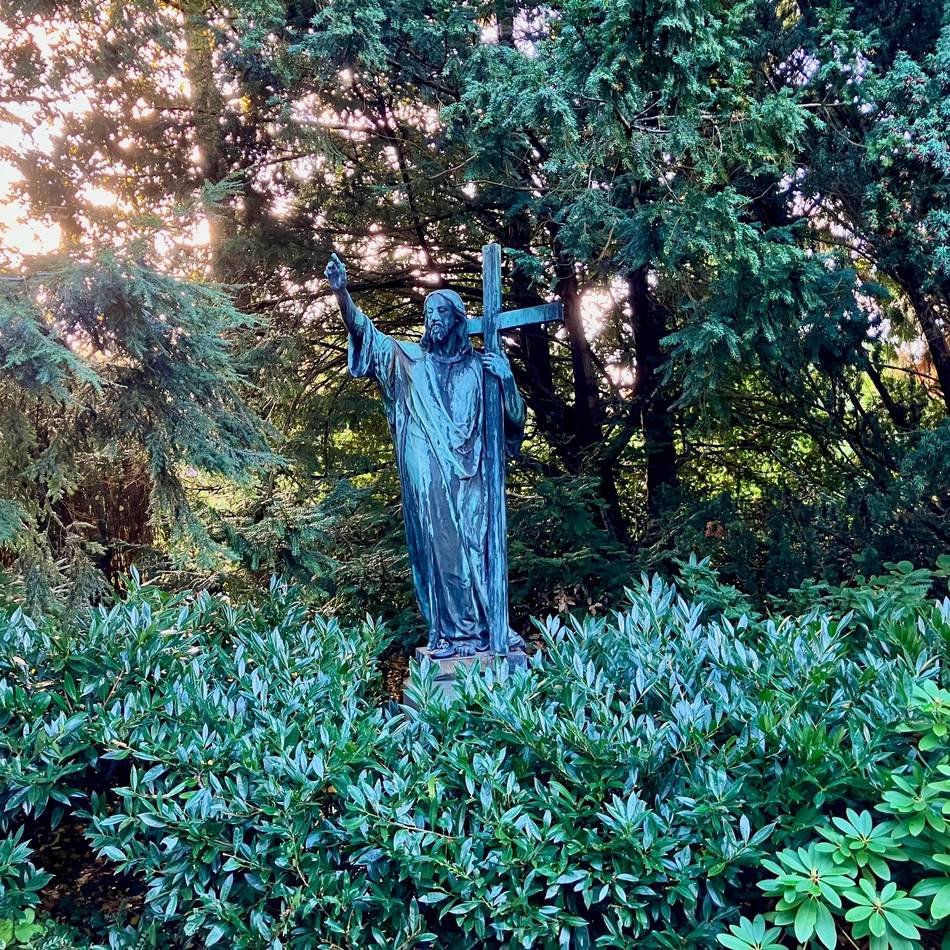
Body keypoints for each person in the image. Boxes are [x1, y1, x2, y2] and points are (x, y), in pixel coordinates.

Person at [324, 253, 525, 658]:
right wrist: (342, 293)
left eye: (440, 311)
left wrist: (507, 383)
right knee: (443, 550)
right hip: (431, 478)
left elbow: (512, 425)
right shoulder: (409, 362)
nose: (432, 317)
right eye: (427, 311)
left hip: (475, 481)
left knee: (479, 546)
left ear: (457, 319)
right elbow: (365, 333)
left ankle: (492, 629)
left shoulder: (484, 368)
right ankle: (454, 634)